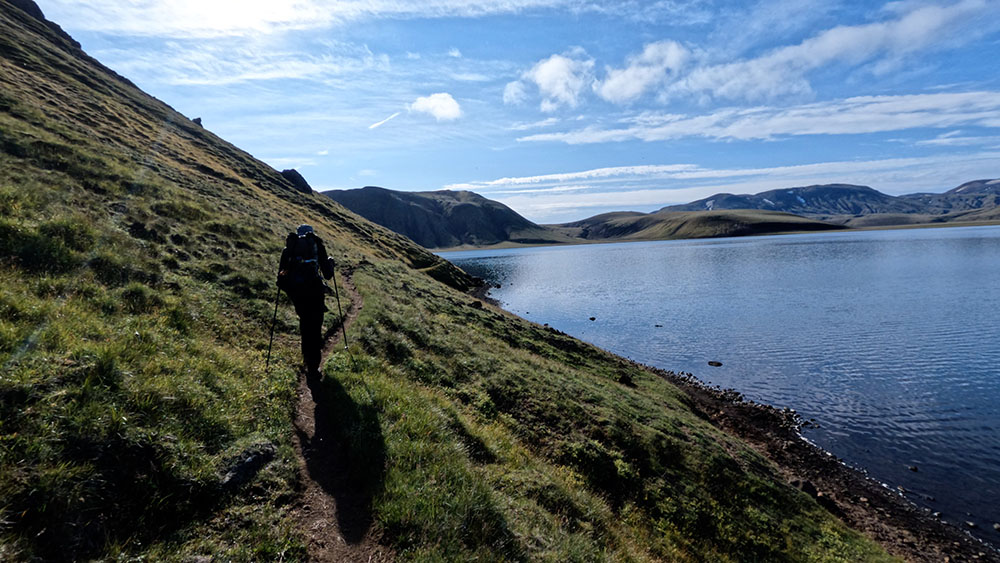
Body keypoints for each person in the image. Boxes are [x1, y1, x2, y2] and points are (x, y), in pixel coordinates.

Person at [277, 224, 335, 374]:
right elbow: (328, 274)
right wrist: (330, 263)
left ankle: (306, 359)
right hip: (315, 292)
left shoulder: (288, 250)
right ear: (311, 233)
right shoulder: (316, 246)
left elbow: (281, 276)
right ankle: (313, 367)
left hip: (298, 293)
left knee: (305, 325)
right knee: (315, 328)